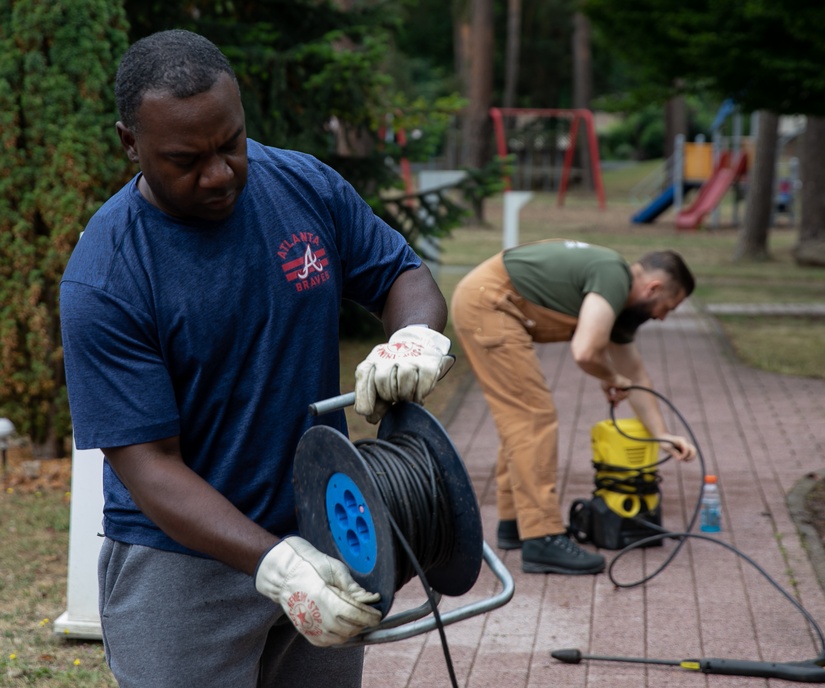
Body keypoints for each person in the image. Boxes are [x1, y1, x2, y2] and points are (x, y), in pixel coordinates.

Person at [59, 29, 453, 688]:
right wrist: (277, 565)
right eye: (186, 158)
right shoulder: (108, 277)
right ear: (131, 143)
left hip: (322, 530)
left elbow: (401, 276)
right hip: (180, 564)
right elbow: (149, 466)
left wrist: (415, 337)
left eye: (231, 143)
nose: (218, 174)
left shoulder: (301, 186)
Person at [450, 239, 698, 575]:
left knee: (520, 419)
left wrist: (662, 435)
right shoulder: (614, 274)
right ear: (653, 288)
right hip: (489, 302)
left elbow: (634, 374)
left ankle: (516, 525)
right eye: (668, 306)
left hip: (488, 301)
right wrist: (610, 377)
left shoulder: (620, 302)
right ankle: (542, 538)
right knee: (532, 417)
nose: (663, 317)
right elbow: (585, 351)